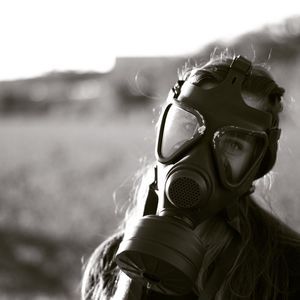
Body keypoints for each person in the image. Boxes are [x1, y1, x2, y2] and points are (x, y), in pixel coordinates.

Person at [81, 52, 300, 300]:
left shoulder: (288, 273)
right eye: (188, 126)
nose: (198, 157)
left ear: (256, 166)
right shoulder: (108, 264)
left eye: (234, 144)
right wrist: (131, 277)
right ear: (164, 131)